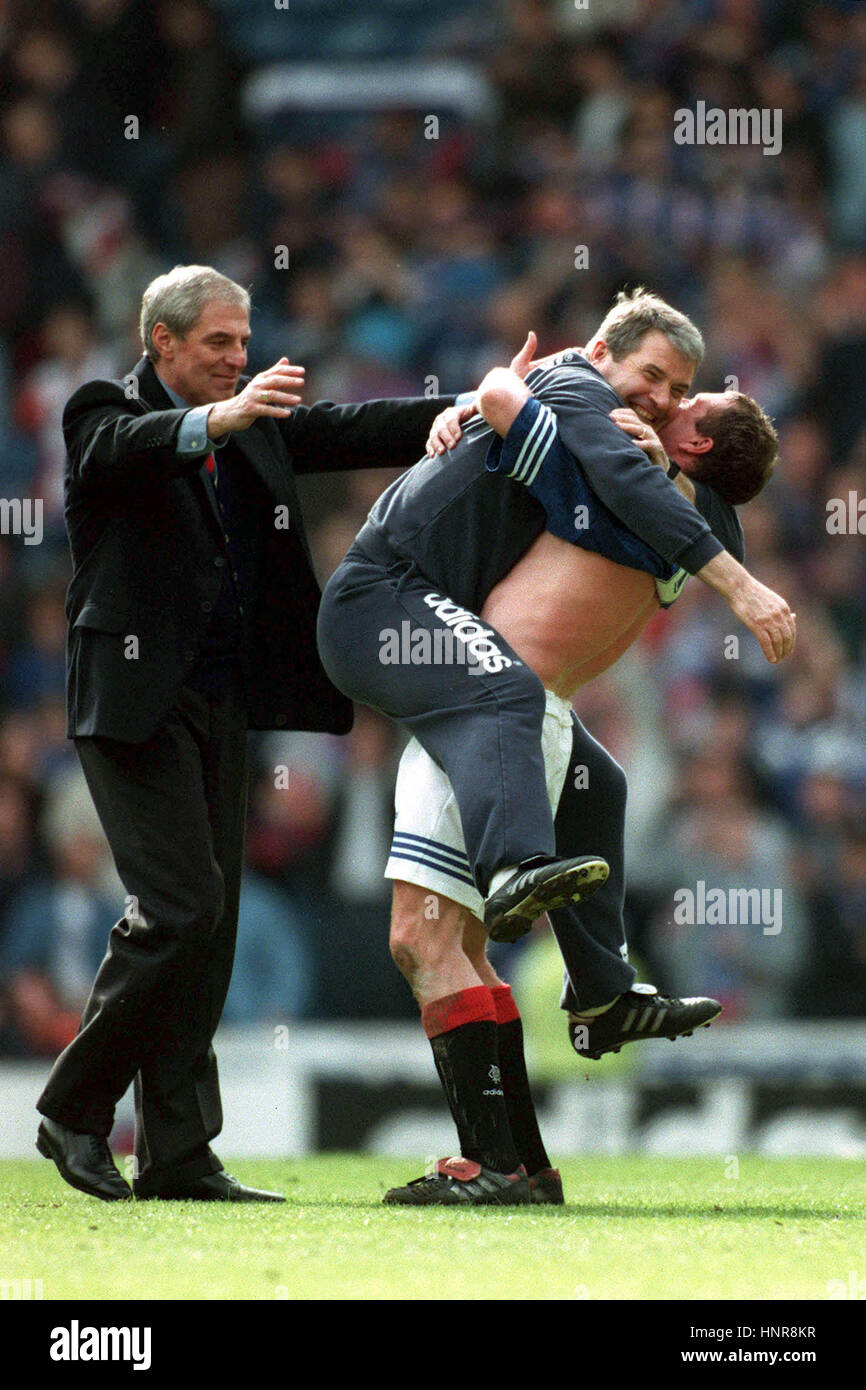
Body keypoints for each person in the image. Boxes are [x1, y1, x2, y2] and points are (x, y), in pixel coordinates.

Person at [315, 289, 794, 1205]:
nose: (661, 400)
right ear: (599, 352)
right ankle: (551, 943)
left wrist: (498, 393)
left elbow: (546, 430)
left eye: (681, 392)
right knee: (438, 930)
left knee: (440, 932)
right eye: (655, 378)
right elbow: (518, 410)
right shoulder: (577, 396)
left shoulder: (638, 469)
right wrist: (493, 390)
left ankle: (517, 1157)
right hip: (401, 616)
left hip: (485, 688)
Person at [35, 263, 460, 1203]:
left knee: (209, 925)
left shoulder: (255, 423)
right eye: (219, 343)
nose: (239, 357)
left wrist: (488, 403)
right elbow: (121, 450)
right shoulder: (101, 408)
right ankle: (74, 1108)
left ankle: (180, 1156)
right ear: (164, 344)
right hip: (134, 704)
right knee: (180, 908)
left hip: (225, 707)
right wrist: (211, 425)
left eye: (243, 340)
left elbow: (351, 428)